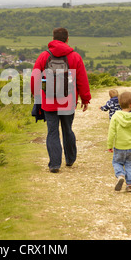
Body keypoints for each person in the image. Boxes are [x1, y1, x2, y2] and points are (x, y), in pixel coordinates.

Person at [31, 28, 91, 173]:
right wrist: (85, 98)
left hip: (48, 101)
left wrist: (36, 94)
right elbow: (82, 80)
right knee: (67, 129)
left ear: (53, 39)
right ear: (67, 39)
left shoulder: (44, 56)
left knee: (52, 132)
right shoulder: (75, 57)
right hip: (68, 101)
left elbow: (35, 77)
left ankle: (54, 164)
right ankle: (70, 159)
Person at [107, 91, 131, 192]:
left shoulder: (115, 116)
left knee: (117, 162)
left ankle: (120, 175)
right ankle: (129, 185)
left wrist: (110, 145)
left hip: (119, 147)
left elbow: (111, 132)